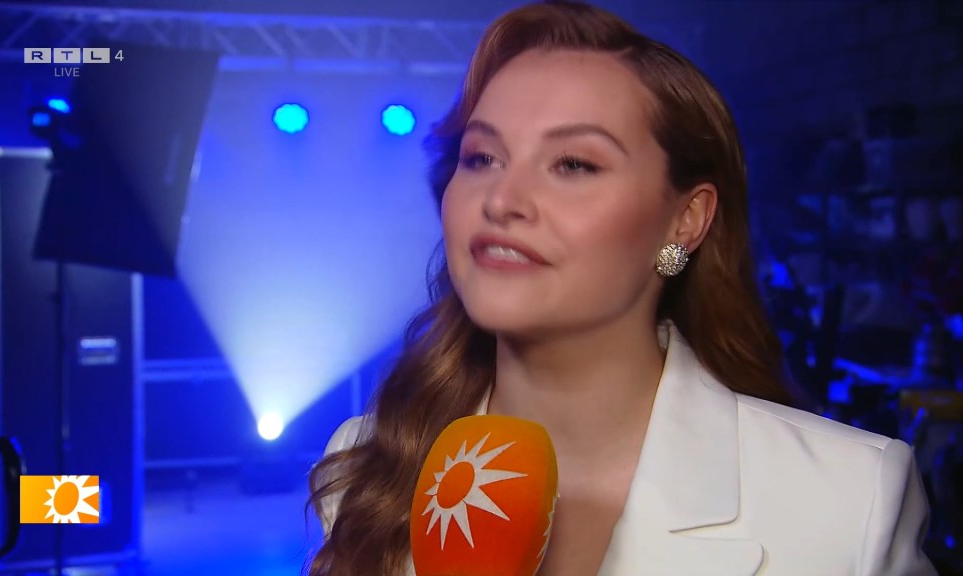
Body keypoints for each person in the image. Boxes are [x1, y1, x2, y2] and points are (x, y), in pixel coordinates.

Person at [307, 1, 936, 574]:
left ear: (686, 219)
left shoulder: (851, 500)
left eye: (573, 164)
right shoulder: (364, 466)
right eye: (481, 158)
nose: (501, 200)